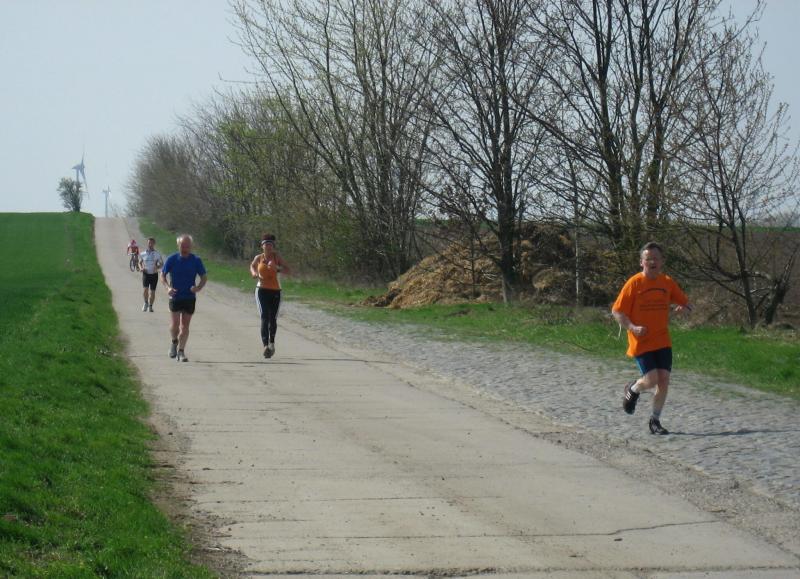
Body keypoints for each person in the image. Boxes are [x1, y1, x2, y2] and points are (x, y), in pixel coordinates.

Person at [611, 241, 693, 435]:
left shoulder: (667, 282)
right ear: (642, 262)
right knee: (650, 380)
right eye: (648, 259)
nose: (652, 262)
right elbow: (617, 311)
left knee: (663, 380)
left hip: (662, 339)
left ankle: (655, 421)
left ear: (662, 261)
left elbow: (687, 304)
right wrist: (632, 327)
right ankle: (633, 389)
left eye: (656, 259)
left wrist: (684, 308)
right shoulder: (634, 283)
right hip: (641, 341)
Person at [161, 234, 207, 362]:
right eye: (182, 246)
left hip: (189, 297)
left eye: (187, 246)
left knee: (185, 326)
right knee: (175, 325)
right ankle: (174, 342)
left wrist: (198, 288)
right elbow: (162, 275)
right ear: (178, 245)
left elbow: (204, 277)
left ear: (191, 246)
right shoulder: (172, 259)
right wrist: (168, 288)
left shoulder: (196, 260)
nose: (185, 248)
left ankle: (181, 351)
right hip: (175, 296)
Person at [250, 233, 290, 358]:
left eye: (271, 244)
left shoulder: (277, 257)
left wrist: (277, 268)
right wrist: (254, 273)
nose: (268, 246)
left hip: (276, 291)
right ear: (262, 246)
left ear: (273, 246)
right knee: (264, 317)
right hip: (261, 290)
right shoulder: (258, 258)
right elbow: (252, 266)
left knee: (273, 318)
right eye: (266, 244)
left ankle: (272, 343)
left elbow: (288, 270)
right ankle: (265, 346)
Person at [138, 237, 163, 312]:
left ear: (154, 244)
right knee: (145, 289)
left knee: (152, 292)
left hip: (154, 274)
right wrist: (141, 268)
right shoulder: (143, 253)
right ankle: (145, 303)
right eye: (149, 243)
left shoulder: (157, 254)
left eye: (152, 243)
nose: (150, 244)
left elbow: (162, 263)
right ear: (147, 243)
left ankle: (150, 306)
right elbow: (139, 262)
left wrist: (157, 267)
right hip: (146, 274)